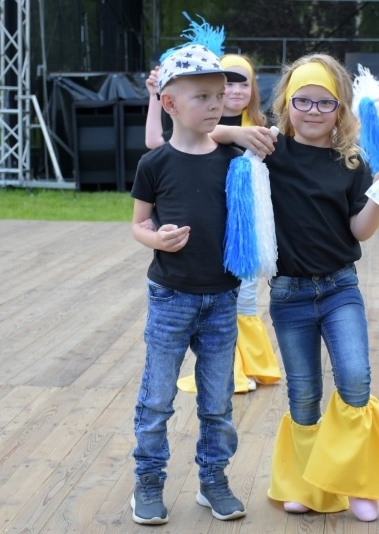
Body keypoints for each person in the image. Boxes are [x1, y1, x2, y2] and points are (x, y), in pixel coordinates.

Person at [215, 53, 379, 522]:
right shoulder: (269, 148)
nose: (314, 111)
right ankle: (305, 482)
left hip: (340, 288)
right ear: (286, 103)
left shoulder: (352, 161)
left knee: (355, 379)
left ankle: (354, 482)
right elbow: (208, 135)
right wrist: (239, 132)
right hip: (289, 295)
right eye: (304, 101)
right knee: (303, 394)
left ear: (340, 108)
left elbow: (360, 230)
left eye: (325, 102)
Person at [129, 44, 249, 526]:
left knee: (217, 403)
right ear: (170, 104)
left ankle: (213, 480)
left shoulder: (233, 156)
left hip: (222, 298)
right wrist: (156, 237)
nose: (216, 104)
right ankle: (148, 483)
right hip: (171, 297)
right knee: (157, 398)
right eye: (202, 96)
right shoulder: (154, 164)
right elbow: (137, 225)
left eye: (219, 95)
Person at [144, 54, 282, 395]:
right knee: (161, 388)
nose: (224, 98)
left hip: (231, 267)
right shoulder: (196, 138)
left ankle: (243, 368)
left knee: (241, 310)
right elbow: (168, 142)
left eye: (238, 85)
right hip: (178, 283)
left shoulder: (245, 137)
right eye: (213, 93)